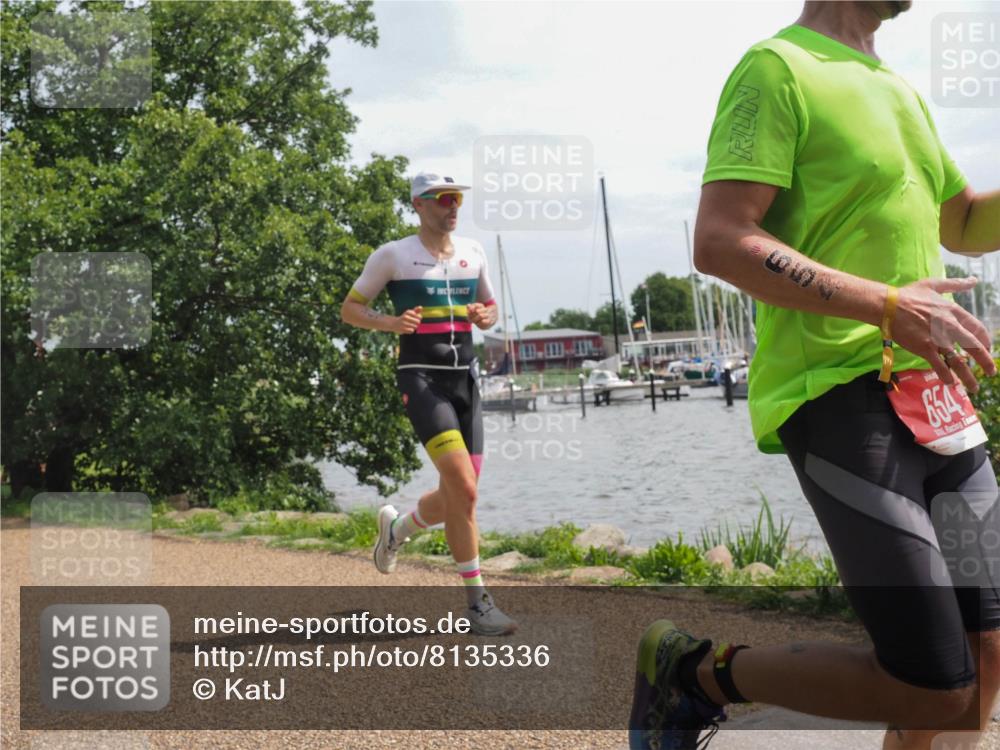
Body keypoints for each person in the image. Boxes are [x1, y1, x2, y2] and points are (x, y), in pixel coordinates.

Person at [629, 2, 1000, 749]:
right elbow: (721, 238)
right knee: (930, 681)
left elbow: (957, 221)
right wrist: (886, 304)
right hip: (835, 393)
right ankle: (692, 672)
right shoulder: (777, 69)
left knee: (989, 654)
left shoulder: (897, 88)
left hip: (934, 395)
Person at [340, 171, 517, 636]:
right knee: (466, 489)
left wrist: (485, 315)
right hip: (421, 380)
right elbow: (351, 308)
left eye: (456, 198)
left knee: (460, 494)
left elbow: (491, 308)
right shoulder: (394, 255)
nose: (452, 206)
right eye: (441, 199)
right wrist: (390, 323)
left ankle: (397, 531)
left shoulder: (472, 252)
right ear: (418, 205)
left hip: (467, 382)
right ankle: (478, 604)